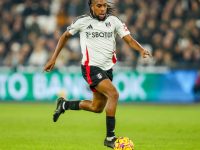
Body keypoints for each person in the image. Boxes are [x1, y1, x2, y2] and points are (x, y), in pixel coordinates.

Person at [43, 0, 151, 148]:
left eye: (104, 6)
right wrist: (53, 58)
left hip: (107, 69)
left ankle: (64, 105)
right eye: (98, 6)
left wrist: (141, 50)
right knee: (114, 94)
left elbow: (129, 39)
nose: (102, 9)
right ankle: (110, 138)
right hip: (90, 67)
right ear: (91, 7)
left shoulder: (114, 21)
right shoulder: (82, 21)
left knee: (97, 107)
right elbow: (64, 36)